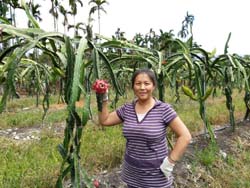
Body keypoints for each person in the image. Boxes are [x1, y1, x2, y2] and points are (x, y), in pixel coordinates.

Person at [96, 68, 192, 188]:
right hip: (132, 174)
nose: (142, 87)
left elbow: (185, 136)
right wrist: (103, 97)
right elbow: (105, 120)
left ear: (153, 86)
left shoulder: (163, 110)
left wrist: (170, 162)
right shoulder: (127, 109)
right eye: (138, 83)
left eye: (146, 83)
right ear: (133, 86)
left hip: (156, 176)